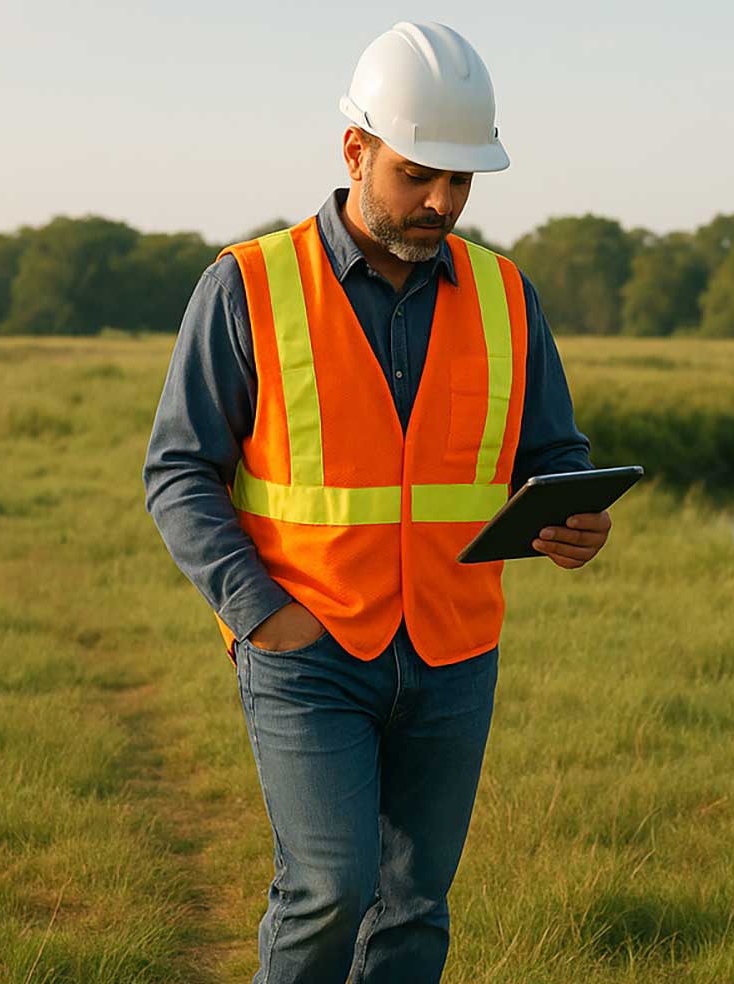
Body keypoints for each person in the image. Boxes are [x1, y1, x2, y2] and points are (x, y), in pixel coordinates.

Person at [142, 21, 611, 984]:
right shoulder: (248, 286)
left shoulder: (508, 296)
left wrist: (572, 519)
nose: (442, 202)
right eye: (417, 175)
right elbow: (179, 470)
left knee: (416, 910)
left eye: (462, 181)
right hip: (308, 651)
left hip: (452, 652)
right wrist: (260, 614)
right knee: (328, 890)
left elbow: (553, 453)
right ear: (353, 149)